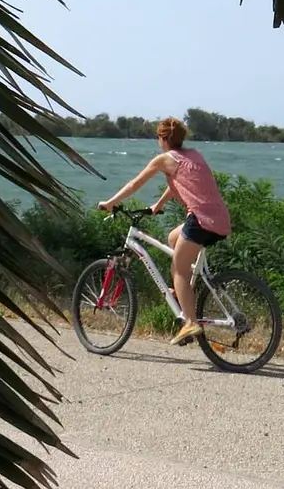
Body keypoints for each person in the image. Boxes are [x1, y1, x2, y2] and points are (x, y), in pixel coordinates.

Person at [96, 117, 231, 346]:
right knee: (172, 237)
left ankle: (190, 322)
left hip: (199, 220)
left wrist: (110, 202)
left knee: (178, 269)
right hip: (220, 219)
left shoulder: (164, 160)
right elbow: (180, 182)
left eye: (158, 137)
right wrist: (158, 205)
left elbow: (134, 184)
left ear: (163, 138)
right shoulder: (194, 155)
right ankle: (184, 292)